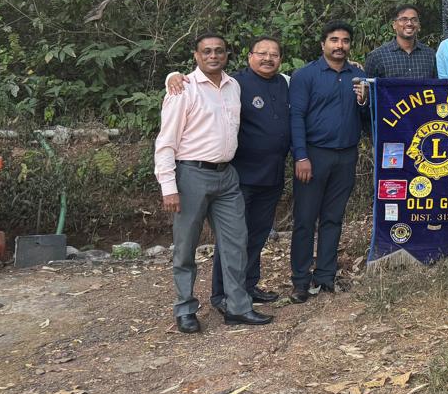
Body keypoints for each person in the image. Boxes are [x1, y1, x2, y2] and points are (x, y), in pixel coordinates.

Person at [154, 33, 272, 332]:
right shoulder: (183, 89)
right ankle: (184, 309)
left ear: (227, 54)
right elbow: (166, 142)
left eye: (219, 51)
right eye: (206, 51)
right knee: (186, 247)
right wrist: (169, 186)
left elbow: (276, 76)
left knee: (236, 243)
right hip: (191, 175)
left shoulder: (234, 87)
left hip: (227, 175)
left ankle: (237, 307)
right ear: (196, 56)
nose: (213, 56)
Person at [289, 21, 366, 302]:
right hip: (313, 154)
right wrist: (301, 156)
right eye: (334, 40)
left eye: (345, 41)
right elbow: (296, 117)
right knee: (305, 219)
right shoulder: (305, 75)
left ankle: (325, 275)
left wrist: (364, 102)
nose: (339, 46)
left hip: (346, 155)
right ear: (323, 44)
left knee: (333, 218)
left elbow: (367, 118)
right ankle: (300, 280)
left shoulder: (358, 76)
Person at [364, 4, 437, 79]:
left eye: (414, 20)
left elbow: (437, 88)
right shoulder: (377, 57)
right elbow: (368, 89)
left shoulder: (430, 55)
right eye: (404, 19)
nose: (409, 23)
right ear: (394, 25)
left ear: (419, 25)